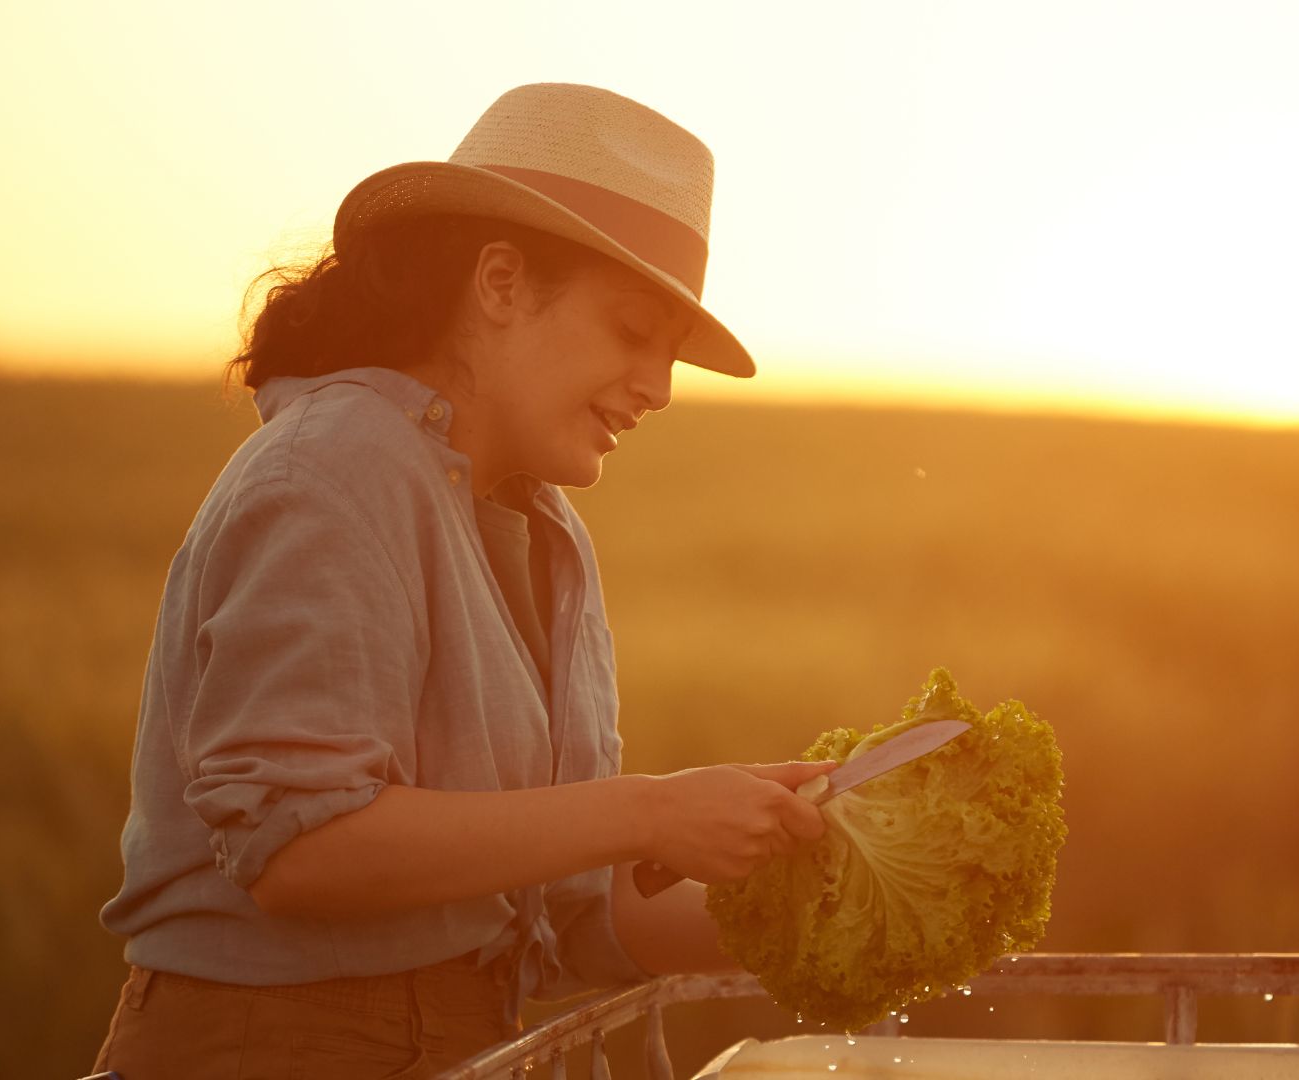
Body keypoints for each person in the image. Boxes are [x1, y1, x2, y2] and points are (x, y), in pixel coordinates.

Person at [88, 83, 836, 1079]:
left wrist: (847, 902)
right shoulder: (339, 465)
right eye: (631, 331)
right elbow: (301, 851)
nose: (659, 388)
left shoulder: (543, 532)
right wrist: (652, 812)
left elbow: (563, 913)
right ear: (499, 284)